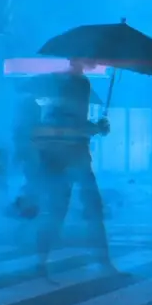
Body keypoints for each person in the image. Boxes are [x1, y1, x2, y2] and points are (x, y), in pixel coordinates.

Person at [37, 60, 114, 277]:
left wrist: (94, 127)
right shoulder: (75, 83)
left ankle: (41, 262)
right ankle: (103, 263)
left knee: (64, 209)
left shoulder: (70, 82)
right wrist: (95, 127)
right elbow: (69, 122)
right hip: (69, 157)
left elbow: (68, 120)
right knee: (81, 208)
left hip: (69, 156)